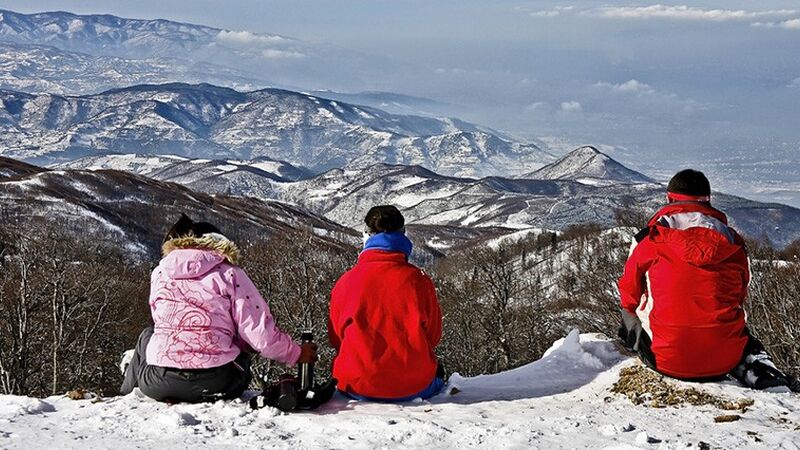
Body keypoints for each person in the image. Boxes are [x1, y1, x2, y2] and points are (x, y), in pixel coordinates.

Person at [618, 169, 796, 390]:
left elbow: (629, 292)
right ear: (708, 200)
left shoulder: (650, 238)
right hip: (724, 361)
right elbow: (739, 296)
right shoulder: (733, 242)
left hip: (666, 360)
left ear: (669, 198)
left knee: (633, 313)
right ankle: (755, 368)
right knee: (738, 330)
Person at [120, 214, 316, 403]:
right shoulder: (230, 273)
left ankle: (124, 395)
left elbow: (160, 318)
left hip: (158, 383)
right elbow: (259, 335)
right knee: (240, 345)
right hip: (219, 382)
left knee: (148, 335)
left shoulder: (160, 273)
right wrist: (296, 353)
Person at [328, 205, 445, 401]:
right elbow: (433, 337)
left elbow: (336, 339)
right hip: (414, 386)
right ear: (403, 234)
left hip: (355, 385)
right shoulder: (419, 281)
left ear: (366, 236)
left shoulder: (346, 282)